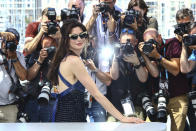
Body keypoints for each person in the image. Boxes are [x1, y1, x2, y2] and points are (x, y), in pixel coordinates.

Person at [47, 19, 144, 123]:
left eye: (82, 35)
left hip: (67, 119)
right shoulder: (73, 61)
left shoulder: (66, 59)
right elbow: (97, 94)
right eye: (74, 37)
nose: (79, 39)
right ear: (66, 40)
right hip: (70, 121)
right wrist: (123, 118)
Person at [143, 26, 189, 131]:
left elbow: (175, 70)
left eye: (152, 40)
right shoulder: (148, 51)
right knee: (150, 128)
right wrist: (144, 55)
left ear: (159, 37)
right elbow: (154, 74)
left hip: (177, 96)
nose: (151, 44)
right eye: (147, 42)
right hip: (158, 98)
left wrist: (157, 56)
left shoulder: (172, 43)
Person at [0, 28, 27, 122]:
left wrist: (14, 58)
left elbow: (23, 76)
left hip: (10, 106)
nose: (8, 44)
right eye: (7, 40)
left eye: (12, 41)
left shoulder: (19, 56)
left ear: (17, 43)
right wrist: (2, 34)